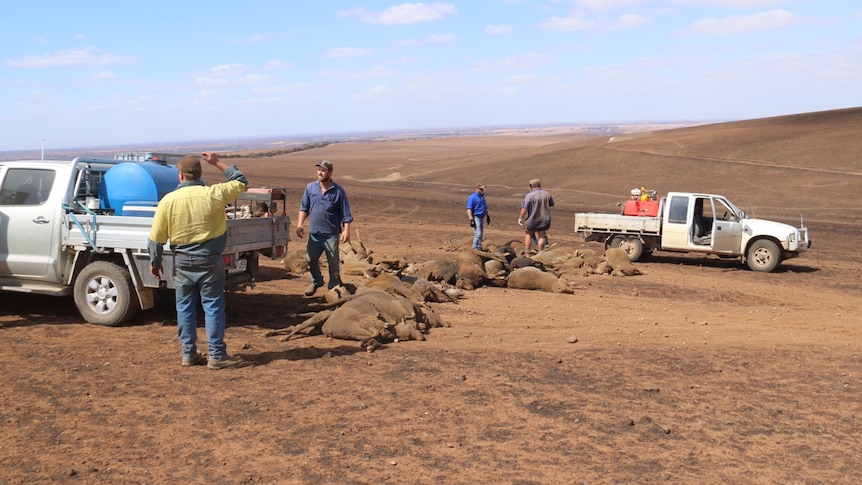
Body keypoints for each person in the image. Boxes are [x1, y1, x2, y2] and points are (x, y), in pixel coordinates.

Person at [148, 152, 248, 370]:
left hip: (182, 261)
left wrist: (155, 263)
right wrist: (217, 162)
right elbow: (240, 182)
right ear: (200, 174)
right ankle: (217, 355)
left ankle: (188, 354)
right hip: (210, 261)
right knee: (212, 307)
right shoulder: (214, 193)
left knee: (184, 308)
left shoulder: (168, 201)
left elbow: (156, 238)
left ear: (180, 175)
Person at [295, 160, 353, 296]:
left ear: (330, 173)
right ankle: (316, 281)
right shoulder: (310, 188)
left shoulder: (338, 191)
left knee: (333, 264)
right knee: (310, 259)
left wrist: (346, 230)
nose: (320, 173)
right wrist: (299, 224)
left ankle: (333, 287)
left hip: (331, 234)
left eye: (323, 170)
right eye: (319, 170)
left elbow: (346, 214)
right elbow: (304, 207)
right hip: (314, 233)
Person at [518, 178, 555, 255]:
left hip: (532, 219)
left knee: (528, 234)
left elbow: (524, 208)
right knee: (541, 235)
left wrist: (521, 218)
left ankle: (527, 252)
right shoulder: (547, 194)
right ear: (540, 185)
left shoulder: (529, 195)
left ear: (531, 186)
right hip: (544, 219)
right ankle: (540, 251)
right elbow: (552, 204)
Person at [466, 184, 491, 251]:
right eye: (481, 189)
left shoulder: (482, 197)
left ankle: (479, 246)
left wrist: (487, 216)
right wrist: (471, 219)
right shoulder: (472, 197)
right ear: (477, 189)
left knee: (481, 233)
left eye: (483, 189)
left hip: (481, 217)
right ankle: (475, 247)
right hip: (476, 217)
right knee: (478, 233)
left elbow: (485, 207)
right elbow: (469, 209)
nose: (482, 191)